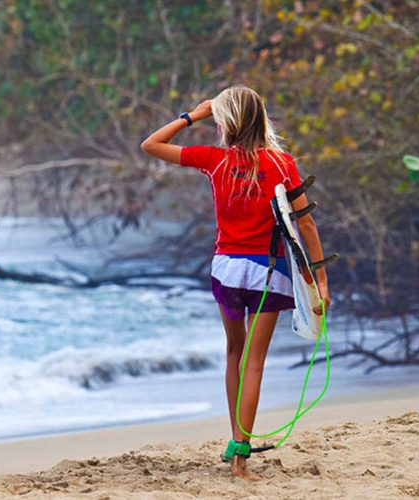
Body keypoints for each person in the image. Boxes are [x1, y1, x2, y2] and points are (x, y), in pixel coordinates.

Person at [140, 85, 331, 481]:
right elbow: (305, 224)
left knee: (234, 354)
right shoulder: (281, 164)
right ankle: (241, 457)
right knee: (254, 362)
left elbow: (150, 144)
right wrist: (320, 282)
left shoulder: (215, 161)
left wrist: (193, 114)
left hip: (227, 273)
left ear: (225, 120)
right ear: (260, 117)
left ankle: (235, 440)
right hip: (269, 276)